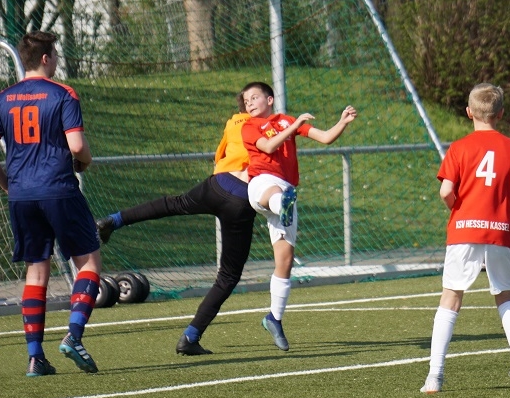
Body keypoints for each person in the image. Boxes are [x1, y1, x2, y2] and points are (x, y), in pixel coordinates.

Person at [0, 31, 102, 376]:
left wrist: (8, 185)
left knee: (36, 270)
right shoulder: (63, 94)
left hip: (21, 195)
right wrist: (87, 161)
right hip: (58, 189)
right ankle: (73, 335)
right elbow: (77, 147)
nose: (57, 60)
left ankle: (35, 357)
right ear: (46, 59)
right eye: (56, 55)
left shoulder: (3, 98)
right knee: (89, 262)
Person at [94, 98, 258, 356]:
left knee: (174, 203)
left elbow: (219, 157)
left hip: (217, 184)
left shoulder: (233, 122)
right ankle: (190, 337)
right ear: (268, 100)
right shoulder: (271, 126)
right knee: (228, 276)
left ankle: (114, 220)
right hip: (241, 197)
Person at [420, 83, 510, 394]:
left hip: (464, 231)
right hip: (500, 231)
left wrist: (458, 211)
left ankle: (434, 376)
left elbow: (445, 191)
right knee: (506, 296)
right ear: (501, 114)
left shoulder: (459, 148)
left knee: (451, 298)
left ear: (469, 112)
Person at [240, 81, 357, 351]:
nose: (249, 104)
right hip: (262, 183)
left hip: (286, 188)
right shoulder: (249, 126)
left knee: (285, 261)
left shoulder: (286, 120)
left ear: (270, 99)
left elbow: (325, 137)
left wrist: (342, 122)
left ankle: (274, 318)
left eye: (254, 98)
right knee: (273, 193)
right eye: (246, 101)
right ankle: (281, 203)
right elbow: (268, 147)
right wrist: (294, 127)